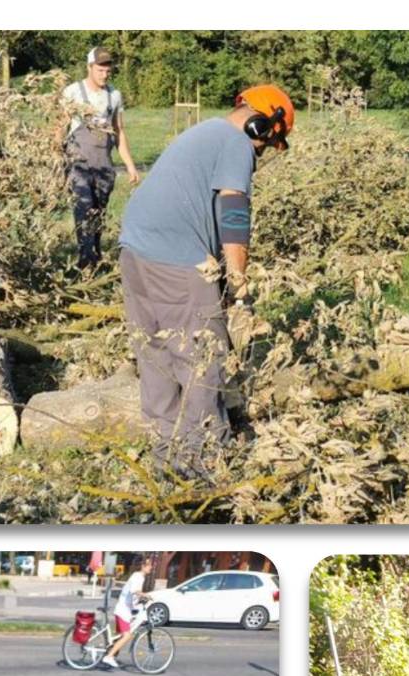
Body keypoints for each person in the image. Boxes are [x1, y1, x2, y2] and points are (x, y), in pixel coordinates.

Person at [116, 85, 294, 474]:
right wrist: (239, 280)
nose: (262, 152)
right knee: (203, 360)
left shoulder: (205, 132)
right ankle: (205, 464)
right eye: (268, 143)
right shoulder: (236, 143)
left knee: (157, 357)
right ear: (261, 125)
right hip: (177, 262)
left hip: (134, 251)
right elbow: (232, 209)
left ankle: (166, 458)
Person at [61, 46, 140, 270]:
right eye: (100, 70)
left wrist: (130, 165)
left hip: (103, 163)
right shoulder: (72, 92)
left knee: (99, 211)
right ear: (89, 67)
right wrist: (53, 155)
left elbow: (119, 131)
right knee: (83, 206)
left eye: (107, 71)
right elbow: (60, 126)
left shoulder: (114, 96)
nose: (104, 75)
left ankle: (94, 255)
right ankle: (85, 260)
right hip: (78, 161)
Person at [98, 557, 150, 669]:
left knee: (123, 635)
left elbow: (132, 595)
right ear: (143, 566)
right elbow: (135, 591)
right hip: (123, 610)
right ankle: (109, 656)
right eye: (149, 565)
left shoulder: (138, 576)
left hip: (125, 610)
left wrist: (140, 600)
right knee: (127, 635)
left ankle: (111, 651)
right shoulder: (138, 576)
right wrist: (146, 595)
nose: (151, 567)